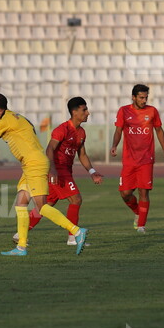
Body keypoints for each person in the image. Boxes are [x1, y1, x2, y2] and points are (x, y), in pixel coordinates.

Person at [0, 93, 88, 257]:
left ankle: (76, 231)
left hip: (34, 163)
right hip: (30, 164)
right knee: (21, 202)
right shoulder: (13, 118)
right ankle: (21, 247)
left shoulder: (6, 120)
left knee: (42, 207)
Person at [22, 97, 104, 246]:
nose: (88, 113)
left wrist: (92, 171)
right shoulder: (62, 129)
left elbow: (82, 155)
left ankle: (21, 233)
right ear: (74, 112)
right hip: (58, 170)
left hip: (66, 170)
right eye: (84, 110)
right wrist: (52, 169)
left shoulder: (81, 133)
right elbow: (50, 148)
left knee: (46, 205)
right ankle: (73, 238)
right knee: (76, 199)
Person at [111, 84, 164, 234]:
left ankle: (141, 226)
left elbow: (159, 130)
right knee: (125, 193)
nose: (144, 100)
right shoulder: (124, 111)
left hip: (146, 158)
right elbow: (118, 130)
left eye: (146, 97)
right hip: (129, 159)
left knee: (143, 192)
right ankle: (138, 212)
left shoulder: (152, 111)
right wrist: (114, 145)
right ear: (133, 97)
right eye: (141, 97)